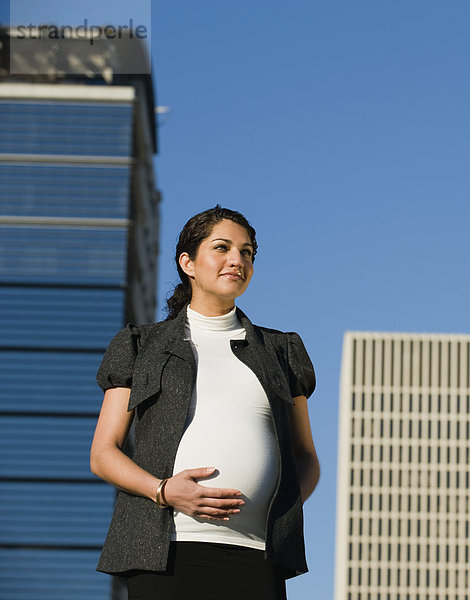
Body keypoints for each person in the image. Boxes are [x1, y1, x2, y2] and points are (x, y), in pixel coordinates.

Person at [90, 206, 319, 600]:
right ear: (188, 263)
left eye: (247, 252)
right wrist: (163, 490)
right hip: (166, 553)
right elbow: (103, 454)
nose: (238, 260)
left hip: (258, 555)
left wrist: (280, 507)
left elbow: (306, 456)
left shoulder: (282, 351)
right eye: (222, 248)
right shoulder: (140, 345)